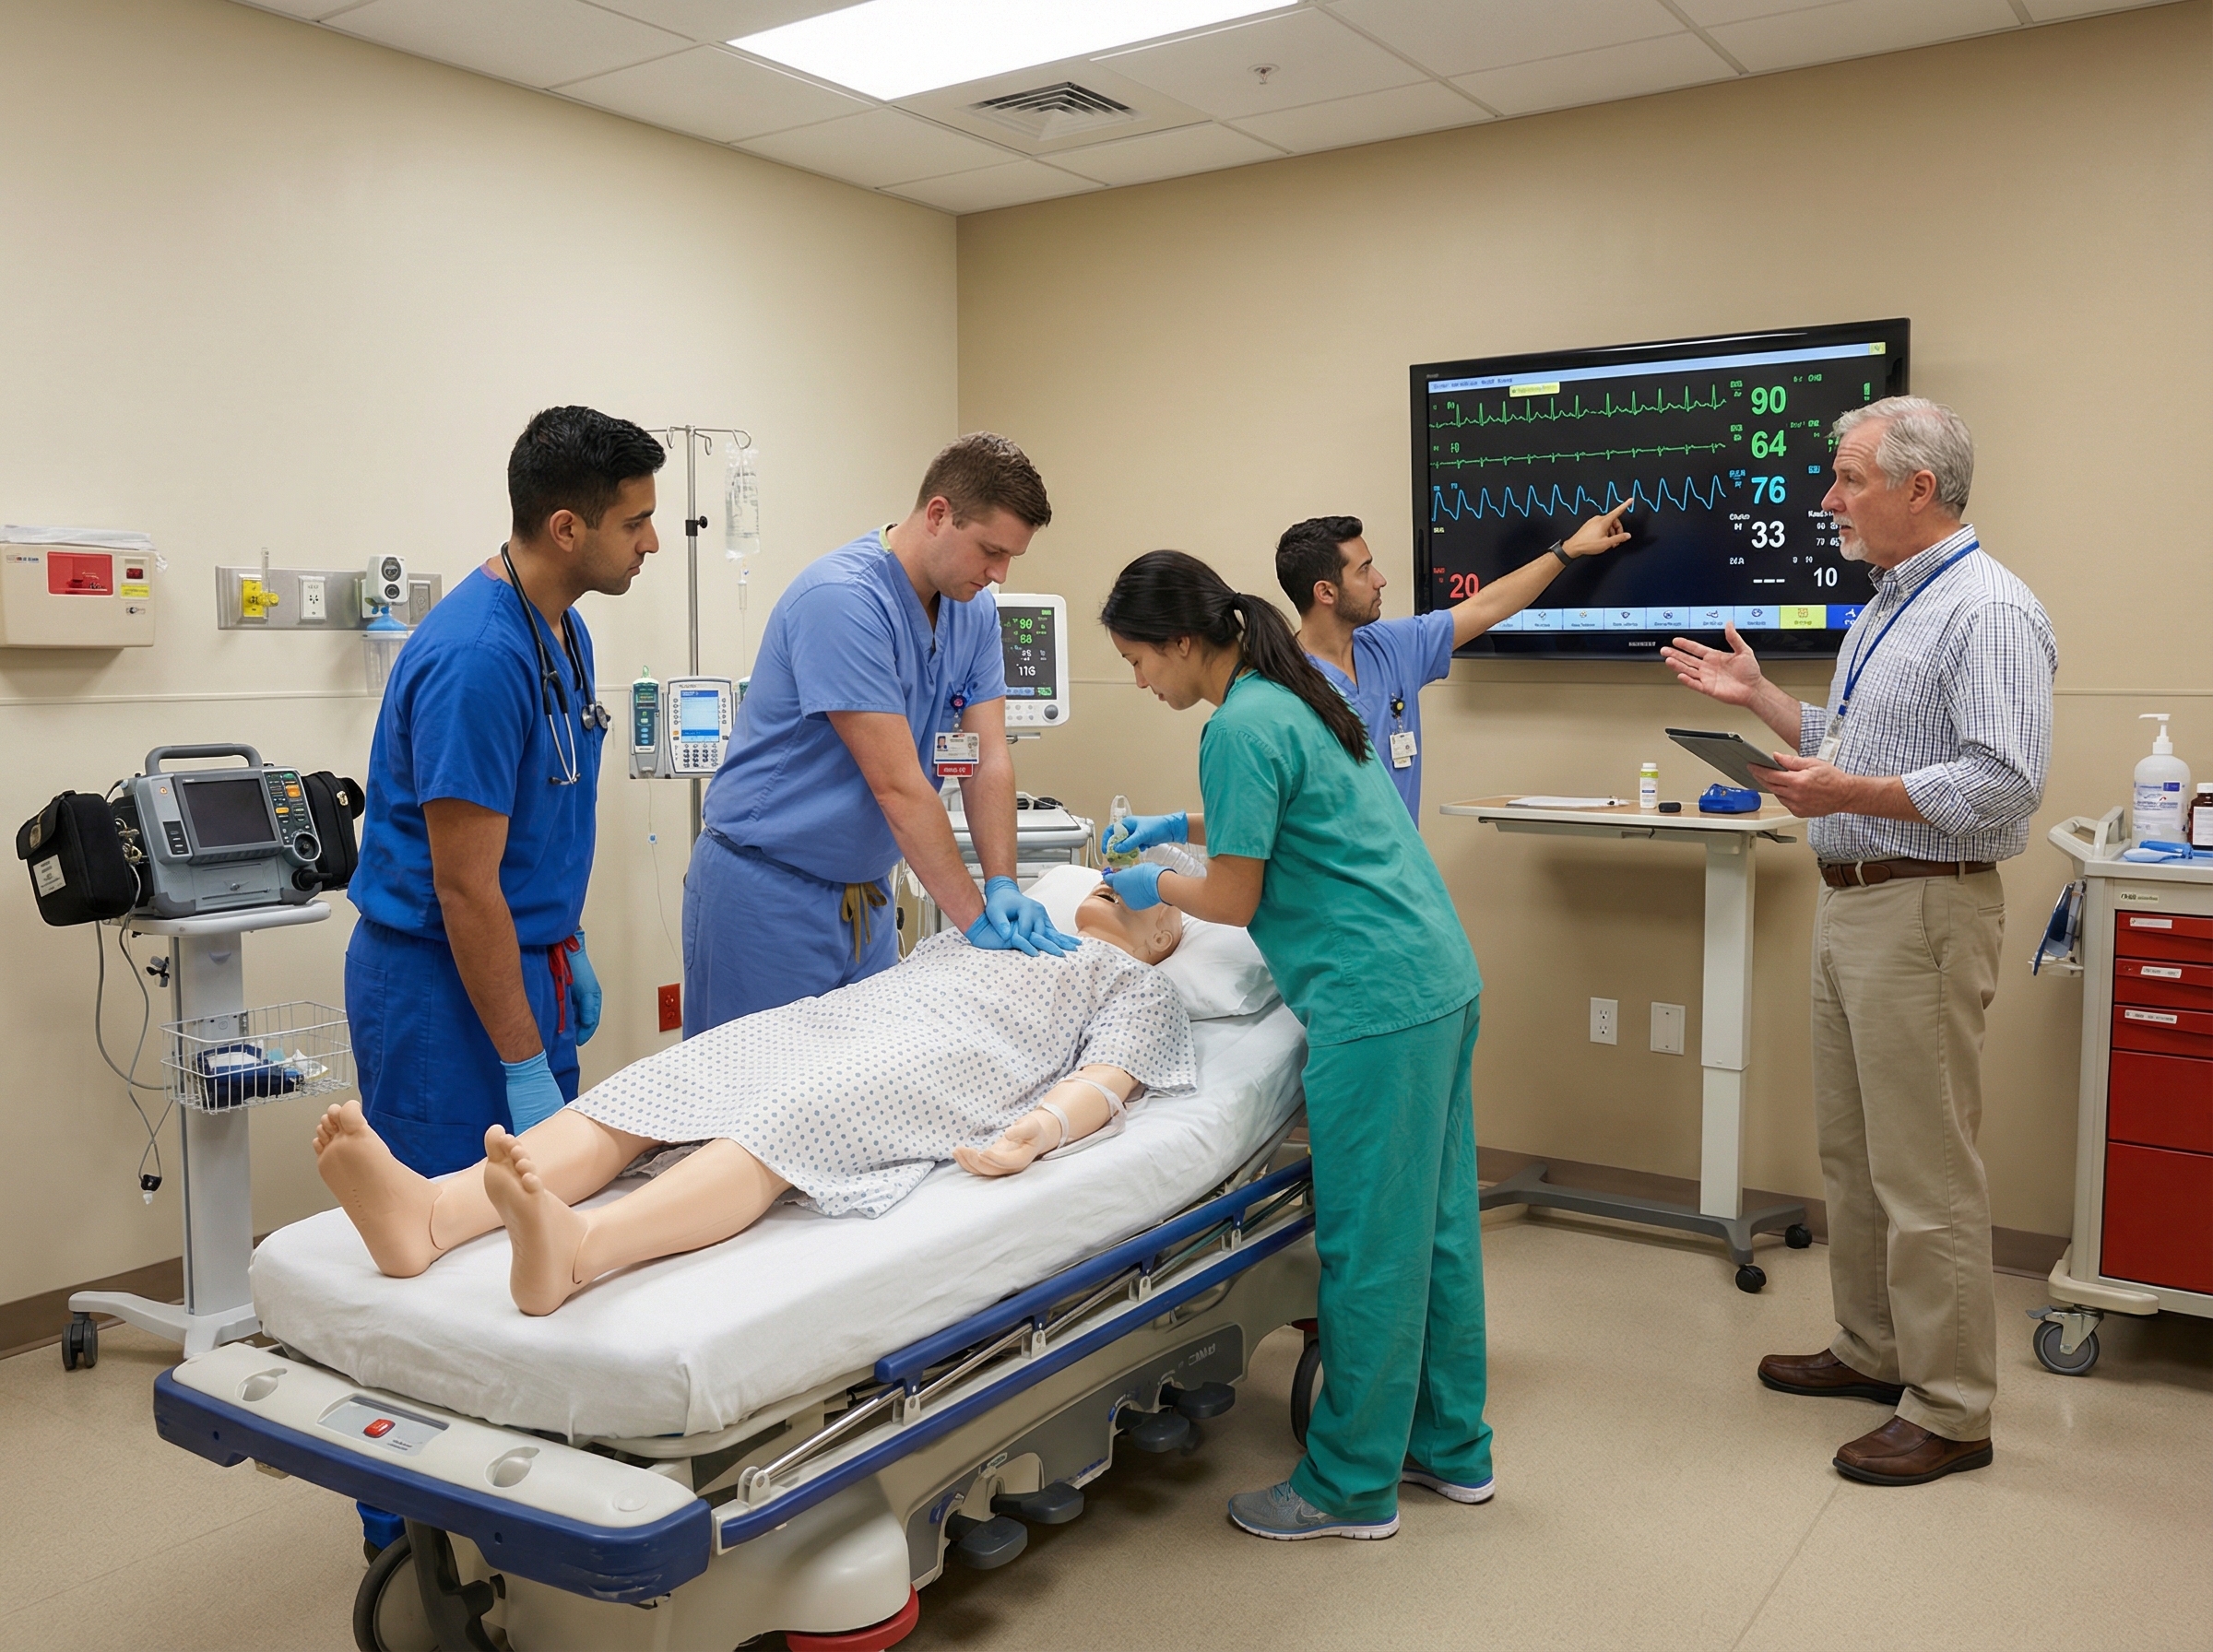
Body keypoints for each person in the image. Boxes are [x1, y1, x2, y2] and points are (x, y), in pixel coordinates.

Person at [1662, 396, 2054, 1488]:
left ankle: (1952, 1406)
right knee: (1858, 1154)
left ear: (1918, 489)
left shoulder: (1988, 610)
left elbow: (2002, 785)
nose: (1828, 500)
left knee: (1927, 1171)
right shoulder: (1893, 603)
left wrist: (1850, 787)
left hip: (1925, 907)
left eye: (1848, 480)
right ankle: (1876, 1349)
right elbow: (1852, 749)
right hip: (1857, 899)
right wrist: (1765, 706)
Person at [1095, 552, 1488, 1542]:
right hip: (1437, 977)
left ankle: (1350, 1486)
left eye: (1138, 659)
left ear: (1182, 642)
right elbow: (1292, 815)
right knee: (1435, 1231)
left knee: (1368, 1248)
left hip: (1374, 1006)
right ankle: (1450, 1448)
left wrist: (1151, 885)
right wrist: (1170, 825)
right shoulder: (1290, 691)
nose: (1140, 681)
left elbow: (1233, 895)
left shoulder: (1235, 724)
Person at [311, 879, 1195, 1316]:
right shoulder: (995, 925)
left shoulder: (1132, 980)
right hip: (853, 1014)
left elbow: (1107, 1079)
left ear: (1163, 941)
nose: (1131, 885)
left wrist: (1036, 1133)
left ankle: (583, 1248)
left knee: (788, 1116)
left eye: (1159, 897)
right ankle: (433, 1215)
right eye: (1120, 876)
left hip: (952, 1060)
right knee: (667, 1077)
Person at [348, 406, 663, 1177]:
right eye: (635, 523)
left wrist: (570, 941)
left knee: (537, 1223)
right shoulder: (480, 659)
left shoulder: (563, 632)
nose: (651, 542)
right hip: (442, 987)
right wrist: (523, 1067)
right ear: (566, 528)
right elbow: (463, 886)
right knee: (446, 1232)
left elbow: (541, 823)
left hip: (528, 964)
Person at [684, 433, 1075, 1037]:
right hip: (769, 895)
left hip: (864, 897)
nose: (999, 574)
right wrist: (974, 921)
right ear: (939, 515)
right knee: (748, 1105)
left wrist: (1000, 880)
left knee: (853, 1096)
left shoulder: (973, 614)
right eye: (991, 551)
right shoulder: (842, 601)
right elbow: (897, 787)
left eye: (1010, 558)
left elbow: (989, 758)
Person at [1272, 505, 1633, 818]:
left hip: (1400, 879)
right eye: (1364, 570)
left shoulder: (1391, 647)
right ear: (1325, 592)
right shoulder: (1279, 691)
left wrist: (1568, 550)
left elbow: (1487, 606)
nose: (1380, 580)